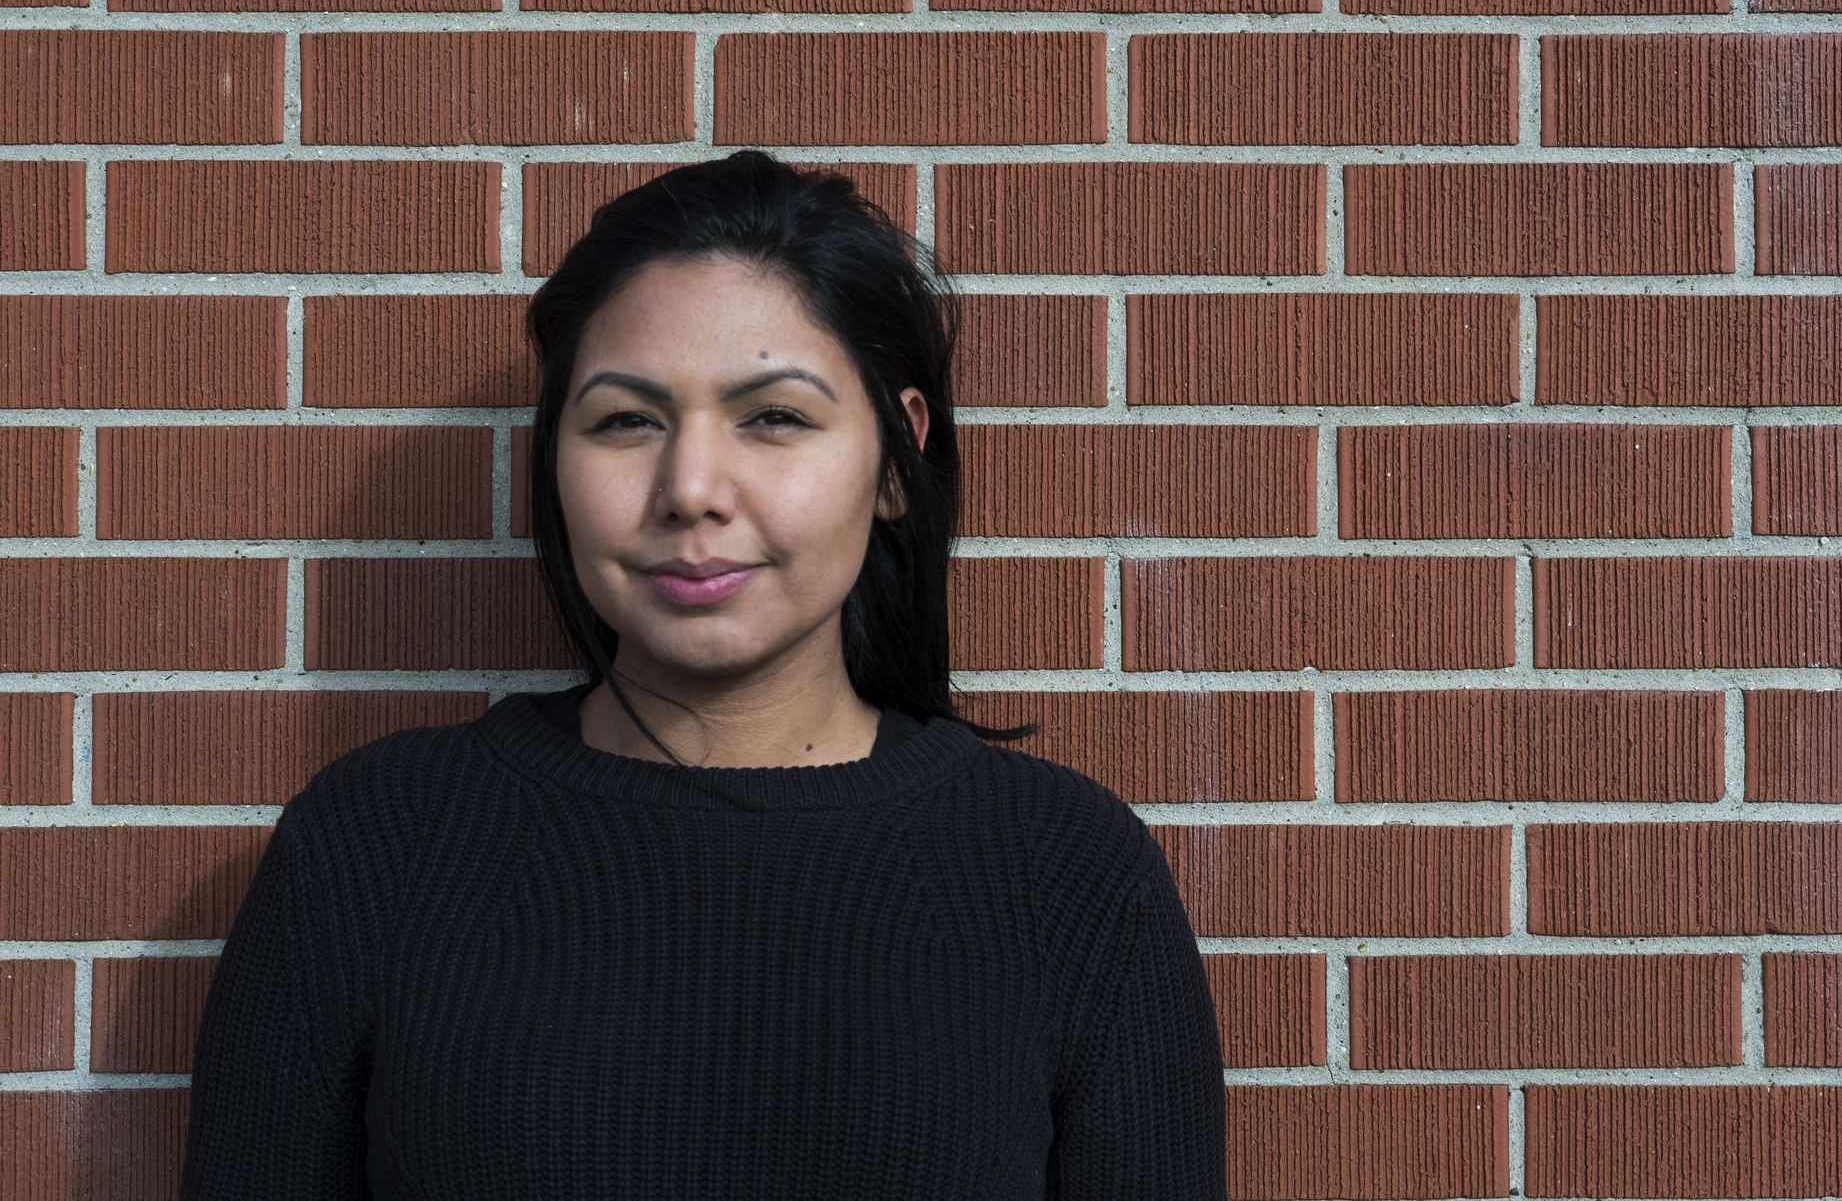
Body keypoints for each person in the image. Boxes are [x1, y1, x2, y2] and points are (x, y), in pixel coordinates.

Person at [178, 151, 1227, 1198]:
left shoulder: (1067, 877)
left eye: (774, 416)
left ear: (896, 460)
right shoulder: (375, 847)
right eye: (626, 420)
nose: (689, 489)